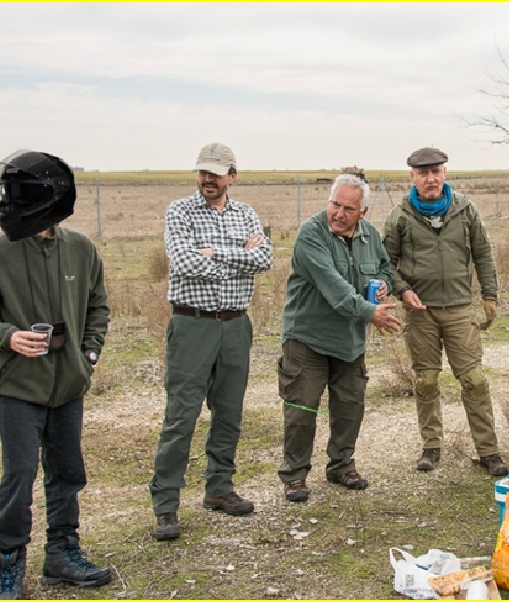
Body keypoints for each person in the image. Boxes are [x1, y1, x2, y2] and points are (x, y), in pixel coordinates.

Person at [0, 150, 111, 599]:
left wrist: (88, 355)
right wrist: (8, 337)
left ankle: (62, 554)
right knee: (19, 475)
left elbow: (97, 307)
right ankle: (8, 564)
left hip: (68, 384)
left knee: (67, 472)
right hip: (17, 386)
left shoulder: (81, 249)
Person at [149, 143, 273, 540]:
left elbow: (265, 259)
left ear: (232, 176)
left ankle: (219, 488)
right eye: (202, 172)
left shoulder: (246, 213)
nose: (207, 180)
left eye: (216, 174)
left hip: (236, 325)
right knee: (181, 415)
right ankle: (166, 505)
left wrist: (216, 253)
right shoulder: (180, 211)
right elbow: (183, 262)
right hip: (192, 325)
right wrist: (239, 258)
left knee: (229, 412)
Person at [381, 147, 508, 476]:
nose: (430, 178)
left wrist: (490, 296)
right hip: (420, 313)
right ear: (412, 176)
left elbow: (483, 253)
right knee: (425, 381)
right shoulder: (400, 215)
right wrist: (403, 290)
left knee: (474, 380)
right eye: (422, 173)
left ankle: (489, 451)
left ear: (445, 173)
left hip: (459, 309)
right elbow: (384, 263)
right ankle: (431, 447)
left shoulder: (465, 209)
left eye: (435, 171)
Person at [278, 173, 403, 502]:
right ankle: (294, 475)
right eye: (335, 204)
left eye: (349, 208)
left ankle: (341, 465)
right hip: (308, 338)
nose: (339, 213)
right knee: (301, 410)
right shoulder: (311, 234)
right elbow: (333, 286)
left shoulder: (370, 236)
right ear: (328, 200)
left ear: (362, 212)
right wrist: (369, 313)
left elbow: (385, 268)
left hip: (349, 341)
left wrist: (383, 283)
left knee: (350, 407)